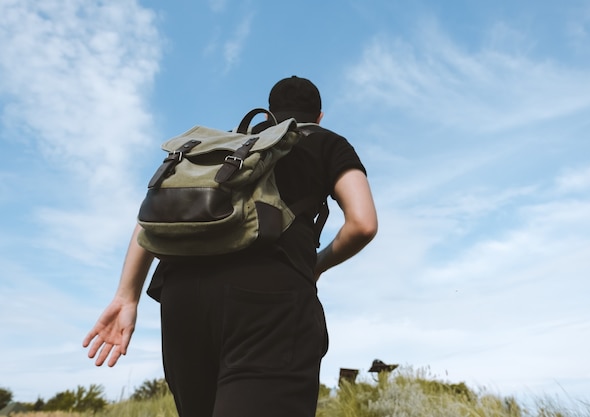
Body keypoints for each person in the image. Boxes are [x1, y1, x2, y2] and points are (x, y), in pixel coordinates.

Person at [83, 75, 377, 417]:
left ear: (268, 114)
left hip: (181, 299)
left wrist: (126, 296)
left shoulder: (225, 148)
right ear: (320, 116)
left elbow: (155, 216)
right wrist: (317, 265)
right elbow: (362, 223)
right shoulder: (327, 142)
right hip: (270, 300)